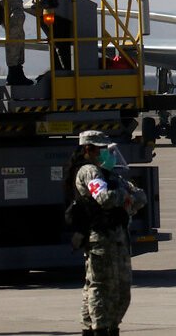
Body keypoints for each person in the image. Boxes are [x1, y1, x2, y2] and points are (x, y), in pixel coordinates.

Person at [66, 131, 146, 336]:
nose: (107, 155)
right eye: (103, 150)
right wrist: (124, 197)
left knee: (121, 289)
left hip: (117, 237)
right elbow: (104, 198)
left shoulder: (109, 174)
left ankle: (104, 325)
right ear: (89, 149)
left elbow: (140, 196)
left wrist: (126, 196)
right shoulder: (89, 171)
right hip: (100, 237)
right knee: (100, 287)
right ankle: (99, 329)